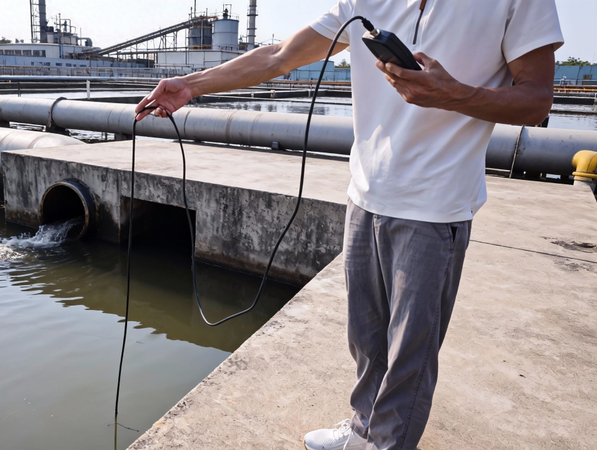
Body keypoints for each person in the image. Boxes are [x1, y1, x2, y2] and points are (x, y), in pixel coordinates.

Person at [135, 1, 563, 449]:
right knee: (366, 338)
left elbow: (536, 100)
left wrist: (452, 93)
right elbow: (280, 55)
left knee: (409, 357)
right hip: (366, 194)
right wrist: (189, 84)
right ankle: (363, 431)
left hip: (437, 205)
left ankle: (388, 444)